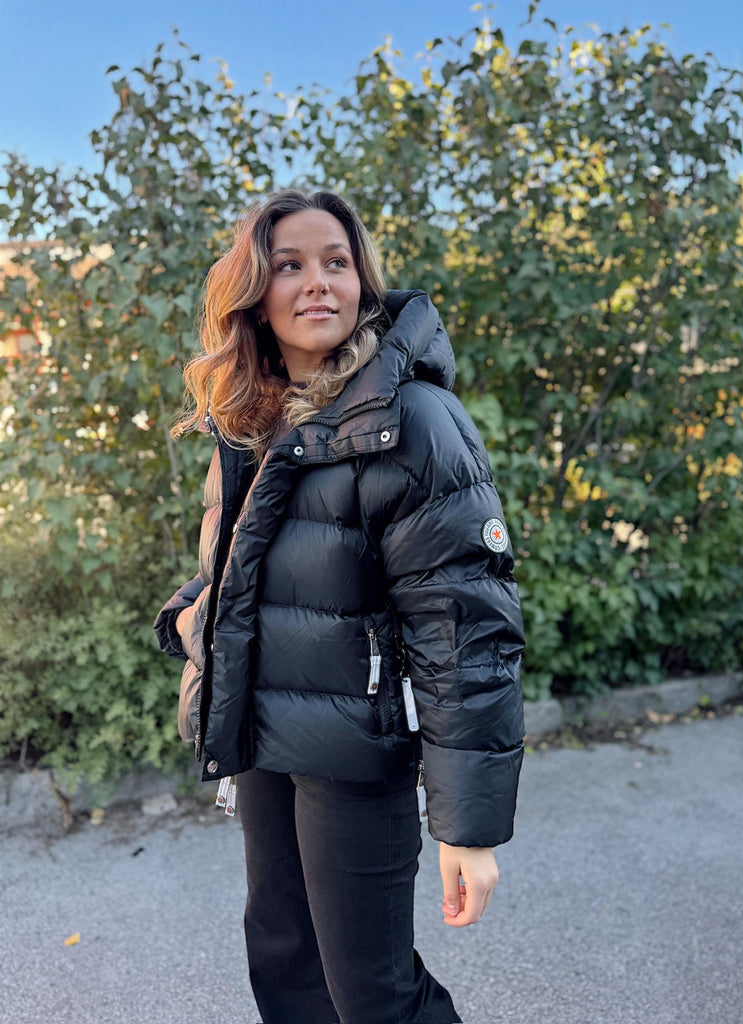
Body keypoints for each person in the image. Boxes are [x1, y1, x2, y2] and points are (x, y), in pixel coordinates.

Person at [153, 189, 526, 1024]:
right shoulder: (253, 420)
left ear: (362, 282)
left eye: (337, 262)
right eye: (290, 265)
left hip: (355, 753)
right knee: (285, 965)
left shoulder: (413, 419)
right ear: (257, 294)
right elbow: (252, 572)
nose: (318, 281)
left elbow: (465, 630)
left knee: (373, 995)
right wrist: (190, 616)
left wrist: (467, 826)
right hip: (261, 738)